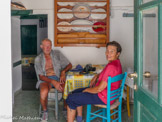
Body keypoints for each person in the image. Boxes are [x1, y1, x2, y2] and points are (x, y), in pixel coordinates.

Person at [66, 41, 122, 122]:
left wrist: (87, 90)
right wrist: (96, 76)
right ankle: (79, 119)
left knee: (71, 99)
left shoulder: (111, 66)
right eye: (107, 50)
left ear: (118, 54)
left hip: (102, 97)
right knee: (74, 92)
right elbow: (106, 74)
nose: (108, 53)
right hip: (109, 95)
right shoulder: (116, 63)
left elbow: (99, 89)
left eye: (111, 51)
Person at [34, 38, 72, 121]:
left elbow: (69, 65)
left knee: (67, 89)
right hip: (45, 79)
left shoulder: (57, 54)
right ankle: (45, 111)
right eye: (46, 46)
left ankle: (65, 109)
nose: (48, 48)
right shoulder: (38, 59)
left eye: (49, 45)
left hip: (58, 77)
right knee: (43, 92)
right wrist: (53, 82)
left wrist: (63, 72)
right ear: (41, 46)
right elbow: (41, 76)